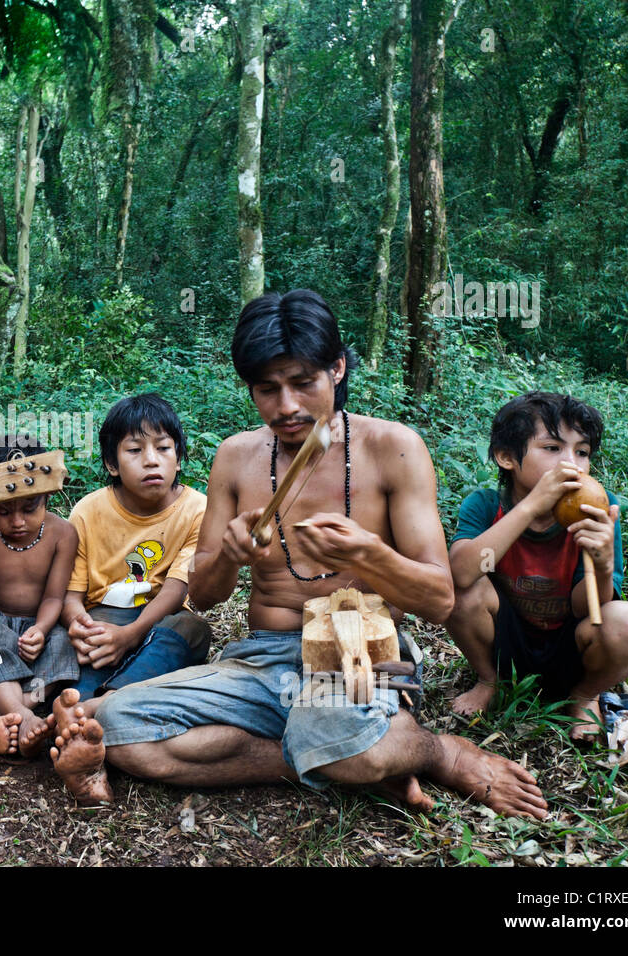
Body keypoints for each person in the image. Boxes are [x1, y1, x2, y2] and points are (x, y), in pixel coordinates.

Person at [52, 290, 548, 819]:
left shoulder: (393, 448)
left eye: (303, 383)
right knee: (123, 731)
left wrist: (370, 554)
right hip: (264, 655)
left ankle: (435, 750)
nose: (286, 407)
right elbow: (203, 593)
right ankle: (347, 757)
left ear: (336, 369)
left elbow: (439, 597)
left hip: (355, 637)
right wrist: (229, 556)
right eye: (267, 389)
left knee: (331, 727)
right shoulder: (237, 457)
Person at [445, 391, 628, 739]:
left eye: (582, 452)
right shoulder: (485, 504)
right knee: (460, 592)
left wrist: (601, 564)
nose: (571, 463)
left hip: (571, 643)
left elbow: (588, 609)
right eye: (553, 448)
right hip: (504, 640)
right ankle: (489, 680)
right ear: (506, 457)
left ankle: (584, 695)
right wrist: (530, 508)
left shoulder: (597, 510)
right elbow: (463, 572)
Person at [47, 395, 212, 776]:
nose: (151, 460)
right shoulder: (89, 509)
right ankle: (83, 714)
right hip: (102, 621)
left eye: (164, 448)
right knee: (90, 647)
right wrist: (79, 624)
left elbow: (177, 589)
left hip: (158, 622)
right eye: (135, 450)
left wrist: (133, 634)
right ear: (111, 463)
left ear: (179, 457)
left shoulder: (196, 509)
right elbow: (72, 594)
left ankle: (92, 710)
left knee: (192, 629)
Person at [0, 436, 79, 758]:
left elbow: (55, 597)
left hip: (41, 621)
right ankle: (25, 716)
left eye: (30, 508)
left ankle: (13, 710)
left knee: (62, 644)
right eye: (3, 510)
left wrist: (41, 628)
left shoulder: (63, 534)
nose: (17, 521)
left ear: (48, 496)